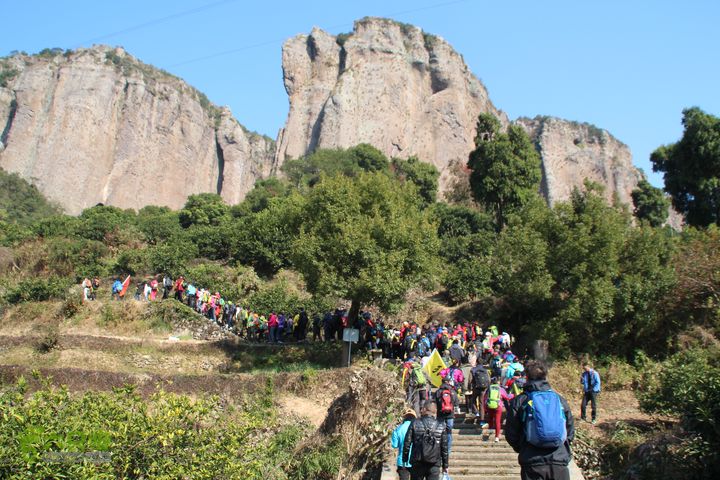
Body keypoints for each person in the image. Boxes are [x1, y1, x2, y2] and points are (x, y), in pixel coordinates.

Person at [505, 360, 575, 480]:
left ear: (526, 377)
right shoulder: (559, 399)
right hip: (558, 460)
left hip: (531, 461)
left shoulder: (520, 401)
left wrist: (522, 447)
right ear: (545, 376)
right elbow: (570, 430)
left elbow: (511, 433)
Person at [402, 400, 449, 480]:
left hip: (417, 461)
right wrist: (445, 465)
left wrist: (405, 459)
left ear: (424, 409)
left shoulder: (414, 423)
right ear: (435, 411)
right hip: (434, 463)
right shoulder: (442, 425)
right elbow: (444, 448)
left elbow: (407, 443)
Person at [483, 376, 514, 442]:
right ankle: (497, 437)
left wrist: (485, 407)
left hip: (489, 405)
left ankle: (490, 430)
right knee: (497, 421)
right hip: (498, 406)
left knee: (490, 418)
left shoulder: (489, 388)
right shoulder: (500, 389)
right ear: (498, 382)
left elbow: (484, 398)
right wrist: (512, 395)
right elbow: (507, 397)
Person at [434, 376, 459, 455]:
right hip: (450, 414)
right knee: (449, 432)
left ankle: (440, 448)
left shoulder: (438, 391)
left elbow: (434, 402)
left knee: (440, 432)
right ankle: (448, 450)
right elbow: (456, 401)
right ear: (448, 382)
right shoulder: (452, 391)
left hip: (440, 414)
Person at [391, 408, 417, 480]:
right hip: (415, 461)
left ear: (404, 417)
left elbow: (394, 445)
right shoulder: (417, 428)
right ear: (415, 417)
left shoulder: (398, 429)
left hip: (402, 462)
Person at [469, 362, 490, 427]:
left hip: (476, 387)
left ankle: (476, 412)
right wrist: (487, 388)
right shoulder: (485, 370)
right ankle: (482, 420)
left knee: (472, 400)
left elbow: (470, 380)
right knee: (481, 403)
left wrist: (470, 387)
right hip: (484, 389)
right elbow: (489, 380)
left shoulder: (473, 369)